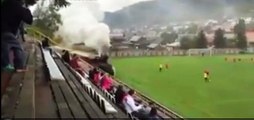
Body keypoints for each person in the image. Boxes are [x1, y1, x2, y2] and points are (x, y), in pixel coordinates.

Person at [1, 0, 33, 72]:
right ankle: (18, 66)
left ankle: (5, 65)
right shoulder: (19, 7)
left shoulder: (5, 4)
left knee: (5, 46)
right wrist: (26, 10)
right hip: (7, 31)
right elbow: (29, 20)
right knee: (17, 47)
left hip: (4, 30)